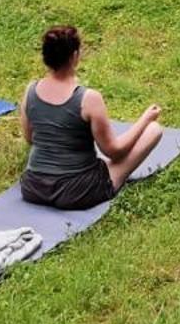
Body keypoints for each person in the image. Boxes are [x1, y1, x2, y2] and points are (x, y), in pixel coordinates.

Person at [19, 25, 166, 210]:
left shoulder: (30, 90)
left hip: (34, 187)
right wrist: (145, 119)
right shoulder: (88, 99)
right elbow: (114, 151)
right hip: (75, 192)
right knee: (154, 130)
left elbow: (30, 138)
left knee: (97, 162)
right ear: (74, 56)